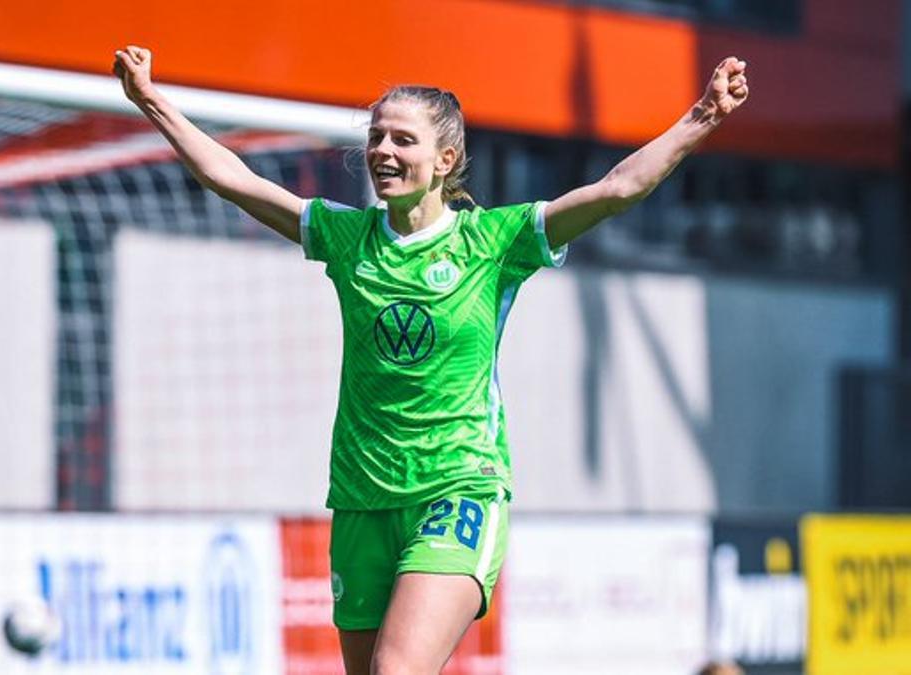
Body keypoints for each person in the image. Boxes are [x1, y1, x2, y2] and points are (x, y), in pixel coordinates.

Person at [115, 45, 747, 674]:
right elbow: (232, 179)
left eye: (402, 140)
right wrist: (151, 100)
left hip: (458, 487)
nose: (382, 151)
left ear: (445, 160)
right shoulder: (346, 237)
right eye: (376, 136)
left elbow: (617, 189)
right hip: (363, 497)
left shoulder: (494, 242)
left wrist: (703, 116)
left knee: (398, 670)